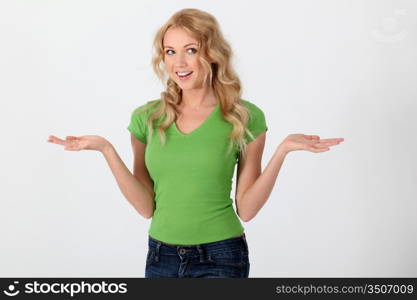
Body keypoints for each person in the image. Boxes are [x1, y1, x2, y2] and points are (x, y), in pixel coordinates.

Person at [47, 8, 344, 278]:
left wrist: (283, 151)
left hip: (222, 256)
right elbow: (145, 207)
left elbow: (248, 209)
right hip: (160, 257)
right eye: (170, 51)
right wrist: (106, 150)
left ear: (212, 53)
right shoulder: (146, 118)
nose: (179, 63)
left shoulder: (244, 117)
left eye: (191, 50)